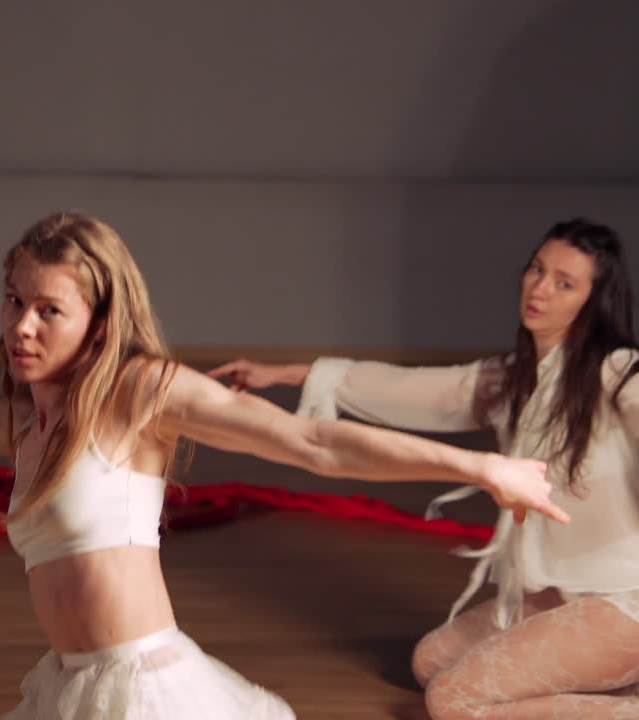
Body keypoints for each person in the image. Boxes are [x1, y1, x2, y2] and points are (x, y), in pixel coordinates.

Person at [0, 210, 567, 718]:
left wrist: (487, 472)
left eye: (49, 310)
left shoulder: (137, 391)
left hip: (144, 694)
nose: (21, 326)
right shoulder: (21, 422)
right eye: (14, 301)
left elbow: (313, 442)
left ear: (98, 320)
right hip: (70, 687)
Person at [210, 217, 639, 718]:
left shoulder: (618, 371)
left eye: (564, 283)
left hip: (625, 600)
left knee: (454, 699)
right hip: (561, 593)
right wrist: (277, 373)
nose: (540, 289)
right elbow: (397, 388)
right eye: (536, 270)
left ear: (593, 301)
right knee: (429, 661)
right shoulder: (511, 380)